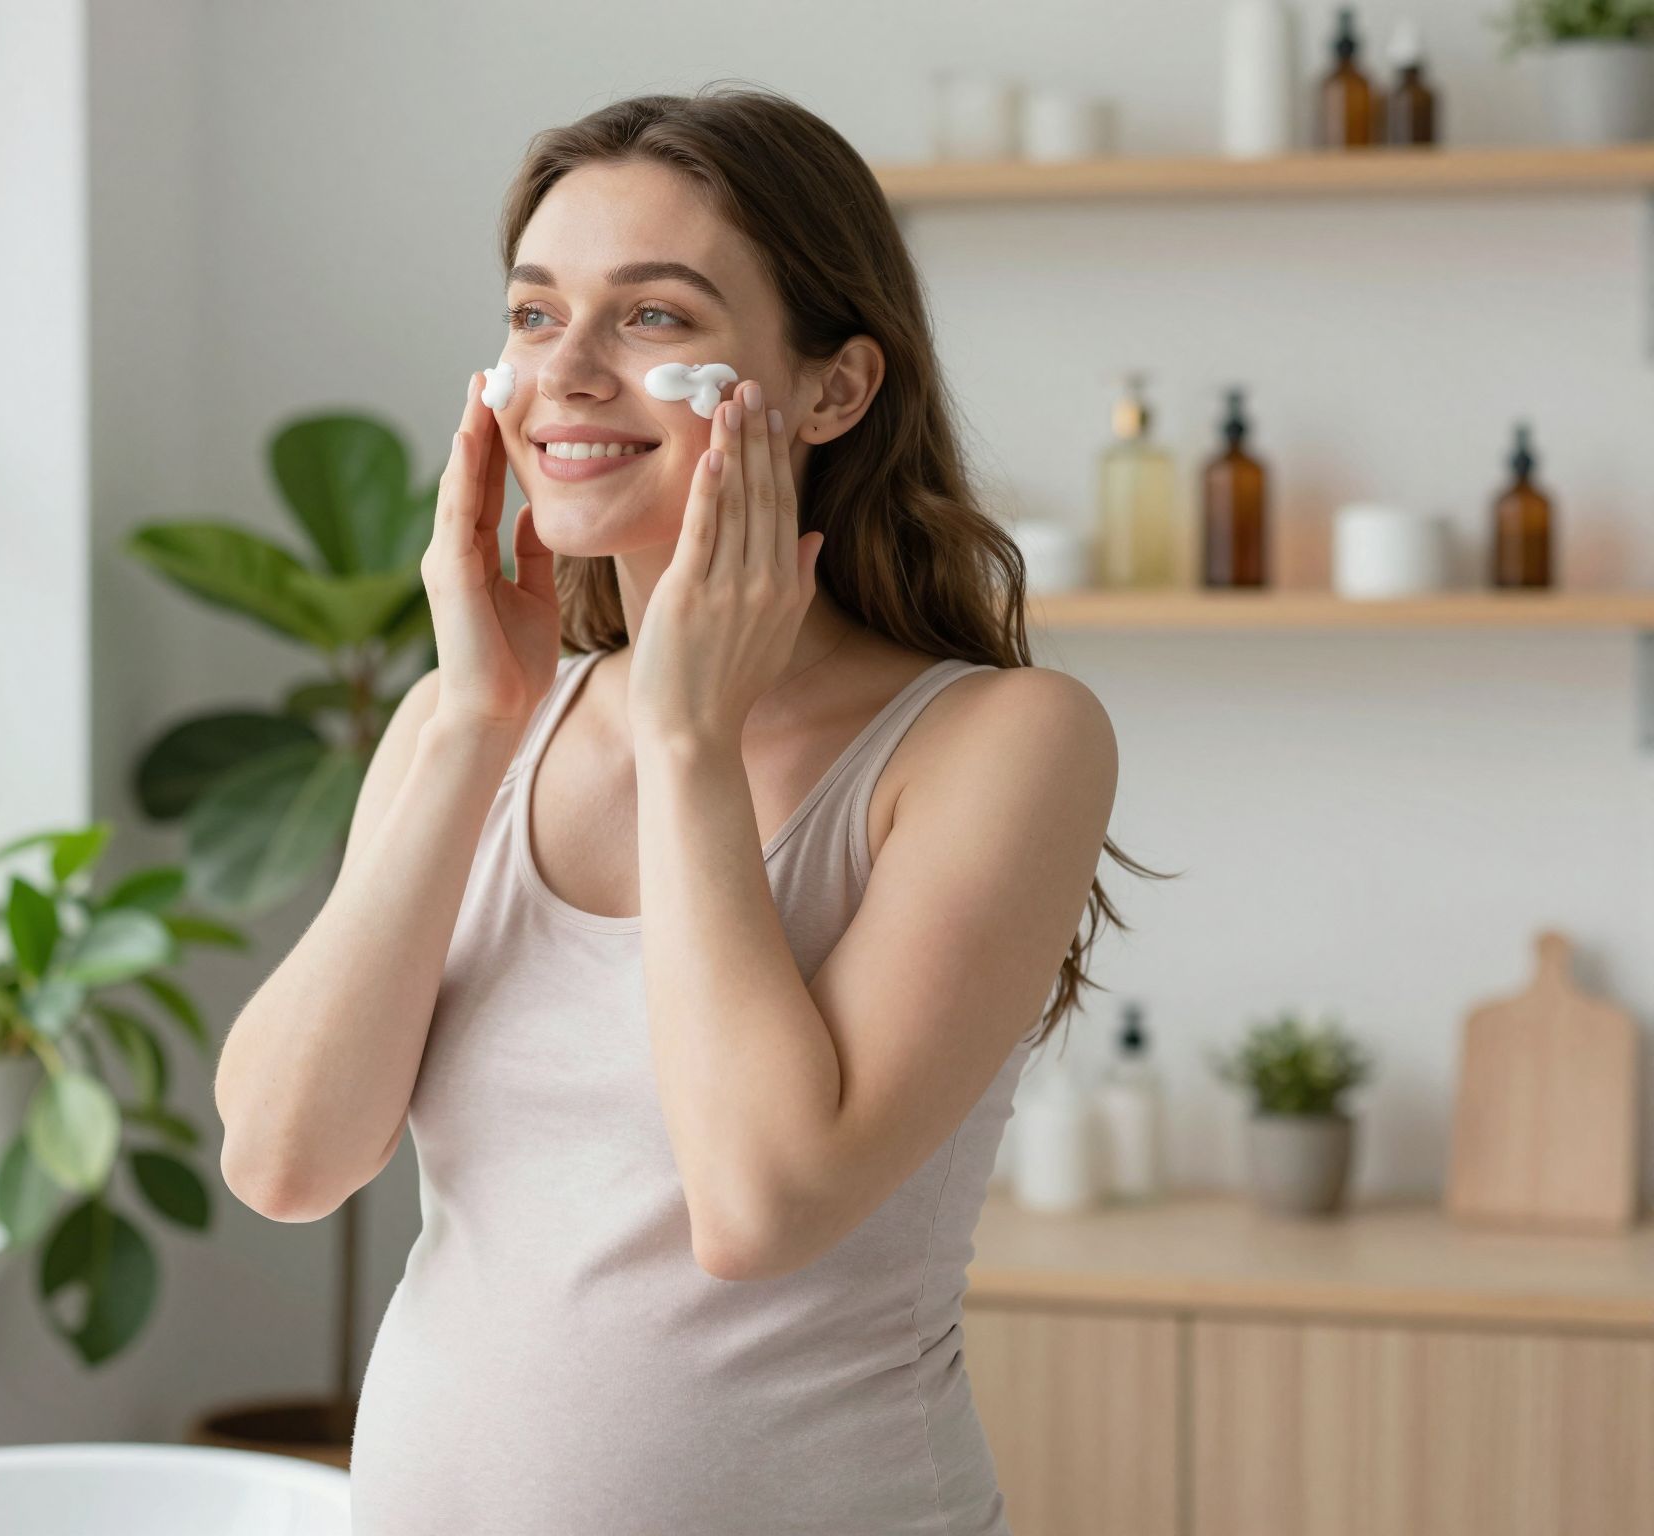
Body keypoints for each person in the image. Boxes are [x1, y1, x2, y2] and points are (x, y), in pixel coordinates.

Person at [218, 82, 1160, 1536]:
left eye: (654, 318)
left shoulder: (999, 744)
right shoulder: (464, 724)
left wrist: (687, 735)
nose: (568, 373)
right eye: (536, 315)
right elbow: (285, 1160)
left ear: (836, 389)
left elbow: (761, 1206)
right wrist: (475, 720)